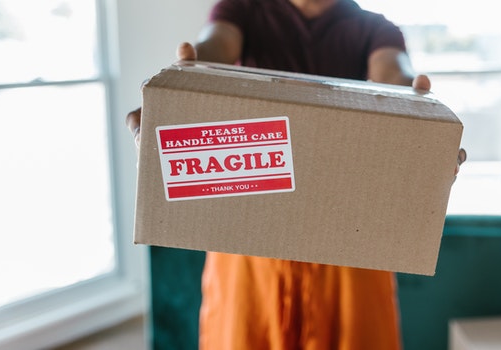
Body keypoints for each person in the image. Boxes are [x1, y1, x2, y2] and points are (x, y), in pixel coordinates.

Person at [126, 0, 466, 349]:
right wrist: (184, 77)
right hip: (250, 234)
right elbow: (216, 47)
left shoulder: (374, 27)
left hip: (348, 238)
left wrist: (424, 118)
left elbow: (394, 73)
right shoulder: (242, 10)